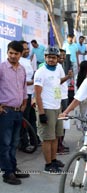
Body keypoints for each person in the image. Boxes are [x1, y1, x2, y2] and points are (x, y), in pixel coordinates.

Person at [34, 47, 73, 174]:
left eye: (54, 57)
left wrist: (67, 77)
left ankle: (54, 159)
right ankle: (48, 164)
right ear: (45, 58)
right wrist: (41, 113)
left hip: (57, 107)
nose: (51, 59)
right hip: (46, 108)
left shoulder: (57, 70)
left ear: (57, 59)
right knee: (48, 138)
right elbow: (37, 94)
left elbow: (58, 82)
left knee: (56, 136)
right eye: (49, 57)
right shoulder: (41, 72)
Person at [0, 41, 29, 185]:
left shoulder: (22, 69)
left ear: (20, 54)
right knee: (5, 143)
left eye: (15, 53)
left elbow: (24, 88)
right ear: (7, 52)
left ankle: (13, 168)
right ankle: (7, 173)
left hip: (18, 111)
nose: (12, 56)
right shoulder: (1, 68)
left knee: (14, 142)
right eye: (10, 53)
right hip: (6, 111)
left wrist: (24, 103)